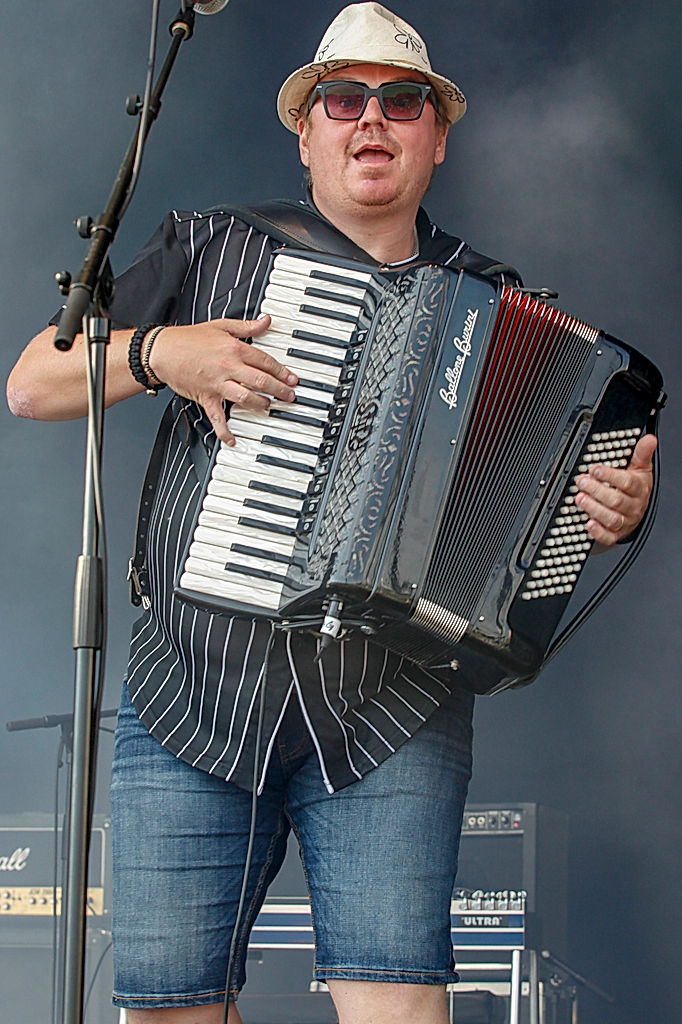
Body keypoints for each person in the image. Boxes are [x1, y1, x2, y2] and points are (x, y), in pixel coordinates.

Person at [6, 4, 657, 1023]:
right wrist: (161, 352)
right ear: (305, 128)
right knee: (171, 1010)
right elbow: (33, 382)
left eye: (401, 102)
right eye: (344, 99)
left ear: (435, 137)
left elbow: (532, 531)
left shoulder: (490, 300)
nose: (372, 120)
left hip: (390, 715)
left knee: (398, 1009)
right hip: (194, 697)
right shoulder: (210, 246)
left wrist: (605, 508)